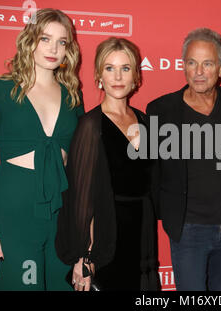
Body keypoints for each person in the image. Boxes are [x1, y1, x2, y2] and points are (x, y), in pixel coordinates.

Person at [0, 8, 84, 290]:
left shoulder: (72, 96)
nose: (54, 48)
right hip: (14, 215)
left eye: (62, 41)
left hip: (61, 214)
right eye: (45, 38)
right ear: (30, 39)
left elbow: (81, 166)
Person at [55, 37, 160, 291]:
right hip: (107, 236)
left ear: (136, 76)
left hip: (142, 232)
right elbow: (82, 197)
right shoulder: (91, 126)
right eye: (109, 68)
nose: (118, 76)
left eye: (125, 68)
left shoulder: (146, 121)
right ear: (98, 75)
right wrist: (85, 256)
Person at [146, 28, 221, 291]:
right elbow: (153, 171)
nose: (199, 71)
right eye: (192, 63)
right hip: (189, 230)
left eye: (208, 63)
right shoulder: (161, 110)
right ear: (183, 66)